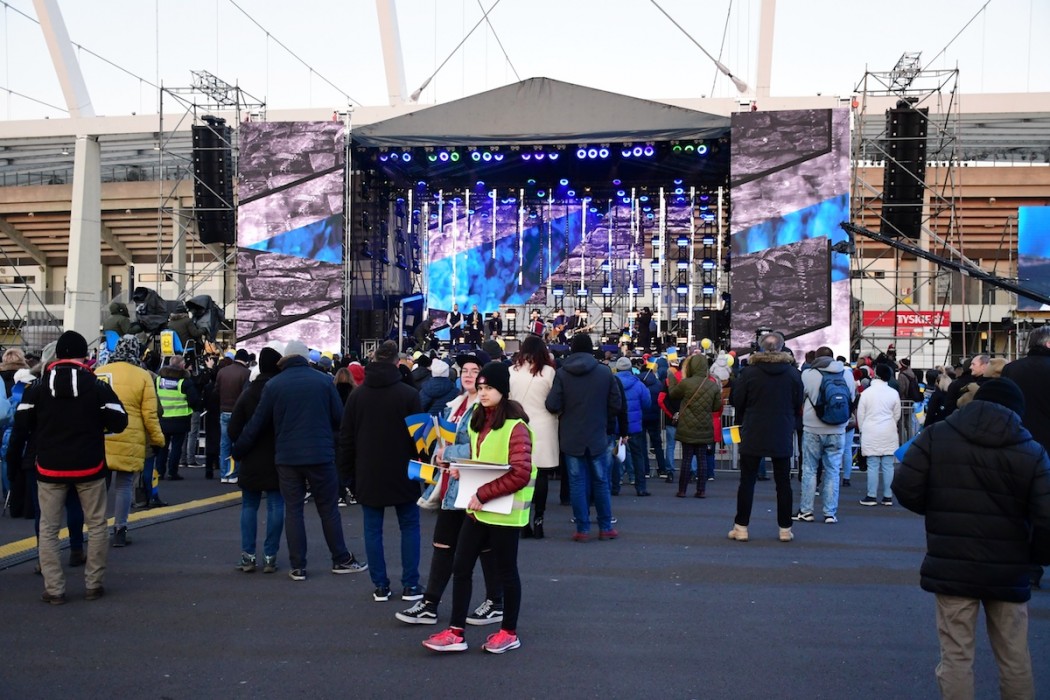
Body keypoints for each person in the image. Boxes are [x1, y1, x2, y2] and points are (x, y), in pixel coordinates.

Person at [893, 378, 1050, 699]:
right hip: (1009, 566)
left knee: (956, 655)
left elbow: (906, 486)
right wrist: (1034, 556)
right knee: (1014, 657)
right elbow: (1046, 515)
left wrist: (937, 510)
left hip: (952, 561)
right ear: (1015, 410)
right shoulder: (1031, 450)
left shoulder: (937, 436)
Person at [422, 361, 535, 654]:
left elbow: (521, 473)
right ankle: (456, 631)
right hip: (479, 507)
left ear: (503, 391)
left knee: (506, 572)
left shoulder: (516, 426)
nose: (483, 392)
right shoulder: (478, 420)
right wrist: (463, 469)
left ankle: (508, 632)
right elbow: (480, 458)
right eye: (481, 387)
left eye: (489, 388)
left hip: (503, 512)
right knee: (461, 567)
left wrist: (482, 492)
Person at [232, 339, 366, 581]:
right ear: (306, 358)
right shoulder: (324, 381)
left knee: (293, 510)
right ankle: (341, 558)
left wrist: (239, 450)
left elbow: (257, 423)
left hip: (287, 457)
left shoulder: (274, 385)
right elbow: (341, 419)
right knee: (328, 509)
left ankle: (298, 566)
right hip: (320, 455)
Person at [15, 330, 128, 603]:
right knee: (97, 524)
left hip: (49, 467)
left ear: (57, 355)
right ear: (83, 355)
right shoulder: (96, 385)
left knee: (49, 528)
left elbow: (21, 424)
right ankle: (93, 584)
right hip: (90, 465)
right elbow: (120, 421)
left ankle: (54, 589)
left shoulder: (38, 387)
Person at [396, 350, 505, 627]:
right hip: (452, 484)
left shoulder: (486, 407)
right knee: (446, 543)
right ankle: (432, 603)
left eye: (474, 371)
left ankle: (492, 602)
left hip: (475, 486)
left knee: (480, 547)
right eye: (465, 370)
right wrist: (436, 449)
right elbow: (449, 442)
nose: (468, 375)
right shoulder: (455, 404)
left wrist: (449, 452)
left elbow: (483, 447)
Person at [338, 340, 423, 602]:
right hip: (404, 470)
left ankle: (381, 586)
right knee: (409, 526)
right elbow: (421, 440)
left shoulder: (357, 396)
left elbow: (346, 439)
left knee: (372, 529)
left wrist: (346, 475)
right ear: (397, 363)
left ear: (373, 360)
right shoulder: (409, 395)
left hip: (368, 471)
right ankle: (410, 585)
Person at [545, 333, 622, 541]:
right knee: (601, 481)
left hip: (571, 435)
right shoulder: (605, 372)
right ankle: (605, 526)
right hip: (597, 434)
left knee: (577, 483)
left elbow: (552, 404)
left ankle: (582, 528)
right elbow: (616, 404)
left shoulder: (562, 374)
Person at [728, 331, 803, 543]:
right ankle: (785, 529)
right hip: (782, 430)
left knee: (747, 481)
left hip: (754, 429)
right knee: (783, 483)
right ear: (781, 347)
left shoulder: (749, 372)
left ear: (761, 347)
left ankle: (741, 527)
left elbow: (737, 400)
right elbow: (798, 402)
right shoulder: (792, 373)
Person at [96, 335, 165, 547]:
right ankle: (120, 529)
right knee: (124, 485)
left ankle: (97, 530)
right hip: (130, 436)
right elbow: (150, 414)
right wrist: (157, 440)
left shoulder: (100, 372)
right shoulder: (143, 376)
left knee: (100, 486)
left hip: (102, 436)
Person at [228, 346, 285, 574]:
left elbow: (233, 429)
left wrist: (243, 444)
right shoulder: (280, 392)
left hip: (251, 456)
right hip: (277, 457)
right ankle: (270, 556)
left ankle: (248, 555)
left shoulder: (249, 393)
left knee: (249, 506)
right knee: (276, 505)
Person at [796, 346, 855, 525]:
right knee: (833, 471)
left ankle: (806, 511)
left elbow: (800, 398)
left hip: (812, 428)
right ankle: (830, 513)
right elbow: (852, 399)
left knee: (810, 470)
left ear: (816, 358)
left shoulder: (808, 375)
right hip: (838, 429)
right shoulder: (847, 374)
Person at [509, 335, 558, 537]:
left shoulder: (512, 371)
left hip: (518, 425)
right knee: (542, 476)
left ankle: (522, 521)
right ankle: (539, 520)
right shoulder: (549, 372)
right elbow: (555, 401)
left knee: (520, 475)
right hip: (544, 426)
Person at [668, 354, 722, 498]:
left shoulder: (686, 383)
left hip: (687, 426)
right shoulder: (712, 385)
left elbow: (673, 394)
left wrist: (671, 379)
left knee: (686, 459)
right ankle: (701, 490)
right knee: (702, 459)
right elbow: (716, 407)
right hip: (705, 426)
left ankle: (682, 490)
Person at [856, 363, 900, 507]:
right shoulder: (893, 393)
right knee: (888, 465)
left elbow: (861, 415)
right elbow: (897, 414)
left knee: (873, 465)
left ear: (876, 374)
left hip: (871, 430)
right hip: (889, 430)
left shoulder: (866, 393)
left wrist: (863, 429)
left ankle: (871, 495)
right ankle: (888, 496)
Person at [155, 355, 202, 482]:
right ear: (182, 365)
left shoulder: (159, 380)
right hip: (180, 419)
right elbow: (194, 399)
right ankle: (172, 472)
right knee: (176, 448)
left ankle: (159, 471)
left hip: (162, 418)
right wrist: (194, 408)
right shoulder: (184, 381)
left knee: (162, 447)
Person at [614, 357, 653, 496]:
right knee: (638, 456)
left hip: (616, 425)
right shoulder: (638, 384)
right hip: (635, 425)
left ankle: (615, 486)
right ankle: (640, 487)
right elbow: (647, 403)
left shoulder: (612, 383)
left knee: (615, 455)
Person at [216, 348, 251, 483]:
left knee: (224, 443)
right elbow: (246, 395)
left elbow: (216, 391)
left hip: (224, 410)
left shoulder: (222, 372)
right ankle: (234, 473)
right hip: (239, 414)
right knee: (237, 444)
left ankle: (224, 474)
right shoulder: (246, 373)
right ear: (246, 360)